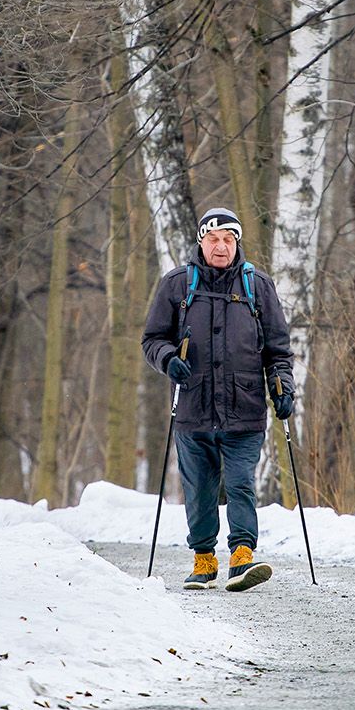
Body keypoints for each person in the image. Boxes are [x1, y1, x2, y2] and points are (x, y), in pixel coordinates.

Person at [141, 207, 296, 591]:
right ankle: (204, 559)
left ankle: (242, 556)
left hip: (244, 409)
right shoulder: (177, 285)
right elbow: (152, 340)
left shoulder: (257, 285)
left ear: (237, 243)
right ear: (201, 241)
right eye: (214, 239)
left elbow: (277, 349)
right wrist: (168, 360)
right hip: (193, 407)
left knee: (242, 482)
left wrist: (283, 387)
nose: (222, 247)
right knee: (200, 487)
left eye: (229, 240)